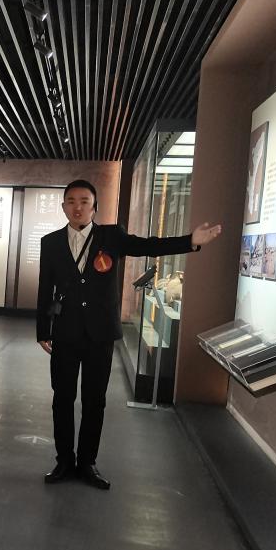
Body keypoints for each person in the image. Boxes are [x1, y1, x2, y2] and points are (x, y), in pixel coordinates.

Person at [36, 179, 221, 489]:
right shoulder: (51, 242)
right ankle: (64, 461)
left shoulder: (111, 236)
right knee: (62, 398)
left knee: (95, 400)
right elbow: (45, 287)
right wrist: (44, 329)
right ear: (64, 206)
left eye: (84, 201)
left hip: (100, 335)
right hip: (65, 333)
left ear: (94, 206)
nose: (77, 206)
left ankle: (87, 463)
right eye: (71, 201)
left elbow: (149, 245)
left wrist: (191, 241)